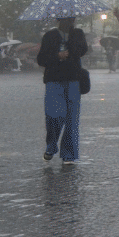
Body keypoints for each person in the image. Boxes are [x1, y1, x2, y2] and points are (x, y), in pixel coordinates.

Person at [37, 17, 88, 164]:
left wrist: (71, 47)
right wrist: (57, 55)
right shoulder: (49, 36)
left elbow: (83, 50)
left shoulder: (78, 34)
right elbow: (41, 59)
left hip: (73, 79)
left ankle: (69, 154)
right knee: (54, 115)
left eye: (72, 19)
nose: (70, 22)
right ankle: (51, 146)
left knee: (72, 119)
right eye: (67, 19)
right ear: (59, 19)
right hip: (54, 80)